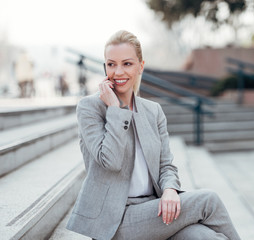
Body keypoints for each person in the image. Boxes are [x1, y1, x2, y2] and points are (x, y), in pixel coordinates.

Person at [66, 30, 241, 240]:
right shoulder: (89, 108)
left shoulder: (153, 111)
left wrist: (169, 190)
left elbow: (166, 165)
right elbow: (110, 161)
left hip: (153, 210)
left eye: (127, 64)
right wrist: (115, 110)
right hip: (116, 220)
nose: (118, 72)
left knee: (207, 237)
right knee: (209, 200)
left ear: (140, 66)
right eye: (111, 64)